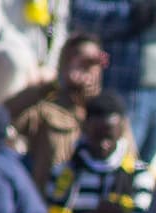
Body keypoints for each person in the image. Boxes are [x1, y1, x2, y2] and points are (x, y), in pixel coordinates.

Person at [71, 0, 156, 164]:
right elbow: (81, 15)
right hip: (125, 90)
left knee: (154, 165)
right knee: (123, 160)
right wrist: (135, 14)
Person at [6, 32, 110, 195]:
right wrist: (55, 83)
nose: (85, 70)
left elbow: (129, 158)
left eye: (91, 63)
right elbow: (5, 115)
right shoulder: (46, 109)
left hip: (92, 207)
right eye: (78, 61)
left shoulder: (110, 115)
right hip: (49, 205)